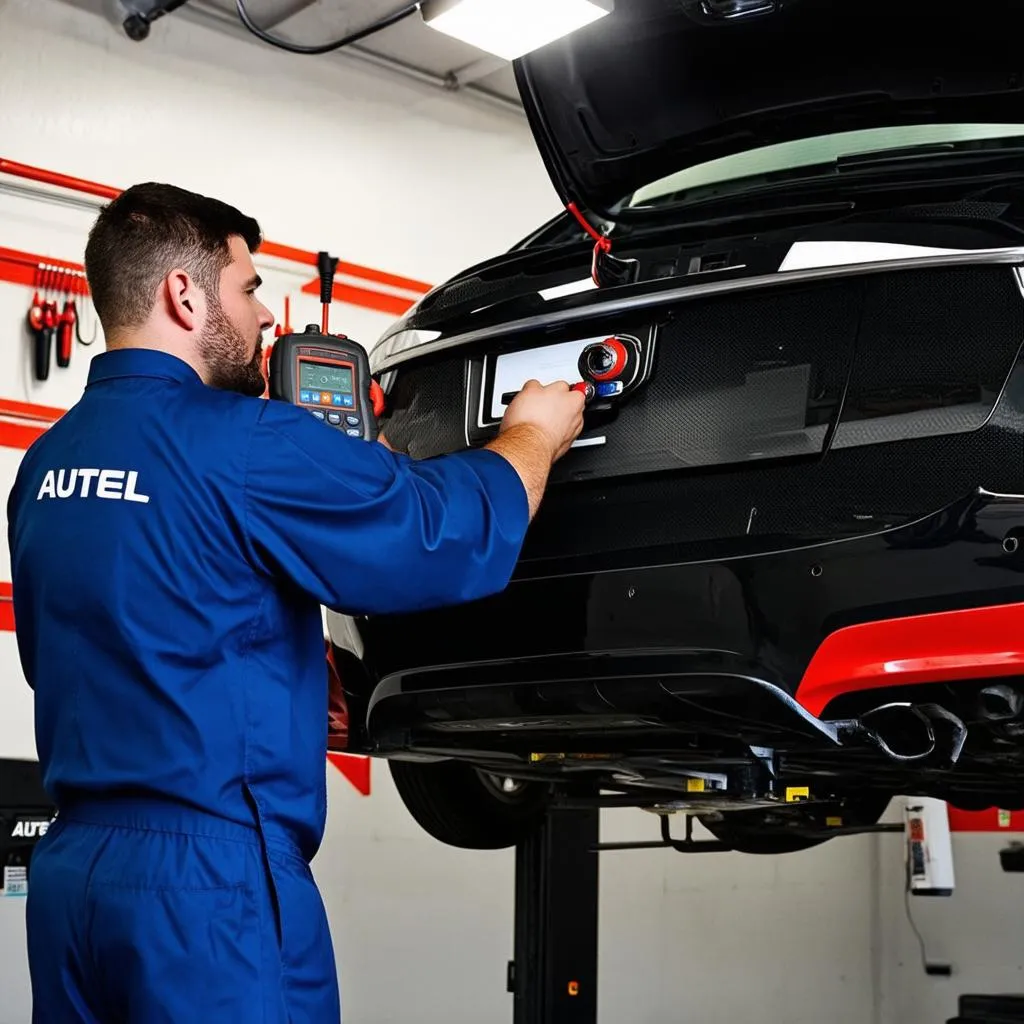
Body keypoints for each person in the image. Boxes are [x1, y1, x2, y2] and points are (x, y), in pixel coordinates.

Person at [6, 182, 585, 1023]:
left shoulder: (47, 467)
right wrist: (531, 434)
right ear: (183, 294)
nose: (263, 320)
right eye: (246, 290)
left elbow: (123, 633)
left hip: (74, 883)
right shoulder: (248, 442)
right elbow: (438, 532)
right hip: (209, 892)